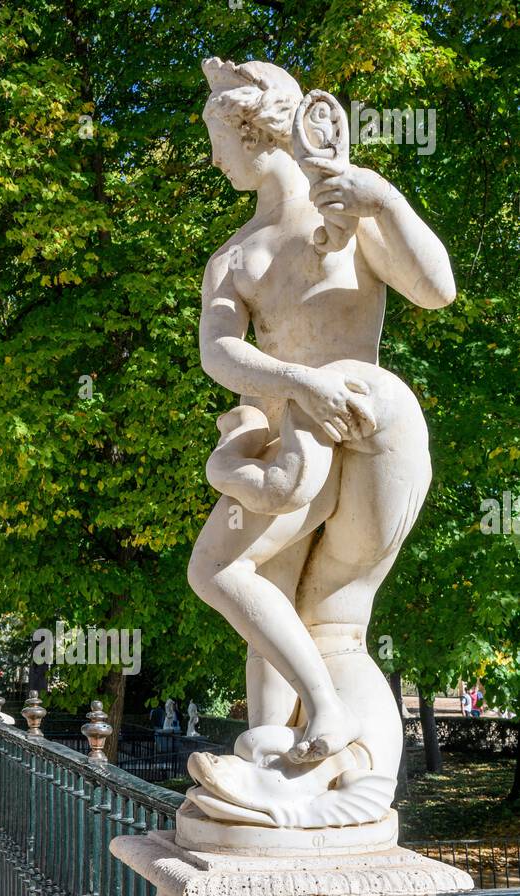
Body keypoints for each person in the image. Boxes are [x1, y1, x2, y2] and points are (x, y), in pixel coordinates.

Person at [184, 57, 455, 828]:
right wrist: (295, 385)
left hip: (352, 421)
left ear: (250, 131)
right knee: (296, 615)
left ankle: (326, 717)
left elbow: (435, 289)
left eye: (217, 141)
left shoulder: (346, 207)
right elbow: (218, 355)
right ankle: (287, 751)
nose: (213, 160)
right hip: (290, 430)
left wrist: (386, 200)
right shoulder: (234, 256)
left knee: (219, 569)